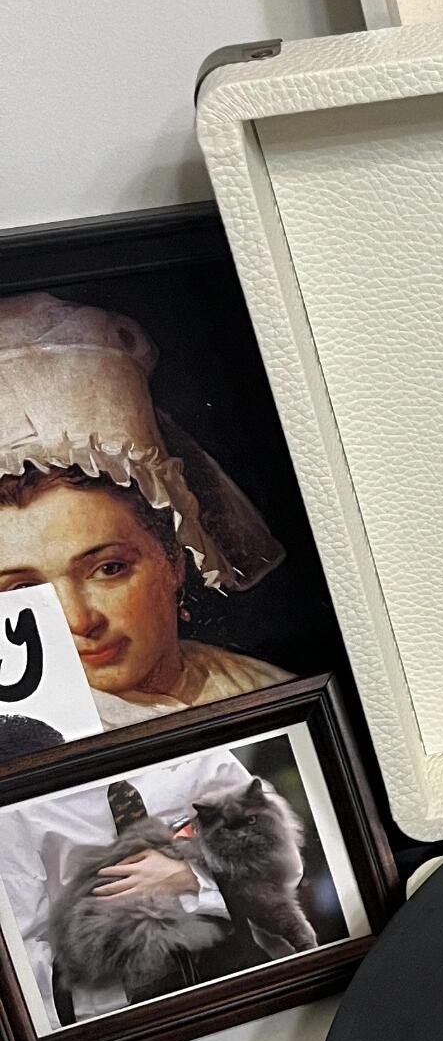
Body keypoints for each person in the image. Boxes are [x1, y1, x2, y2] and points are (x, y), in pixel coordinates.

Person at [0, 294, 289, 721]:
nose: (79, 621)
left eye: (109, 568)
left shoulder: (263, 687)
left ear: (174, 559)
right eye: (24, 590)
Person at [0, 744, 258, 1024]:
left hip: (242, 977)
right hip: (114, 1011)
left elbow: (279, 871)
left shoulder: (200, 755)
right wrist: (117, 996)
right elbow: (21, 955)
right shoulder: (18, 807)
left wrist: (192, 880)